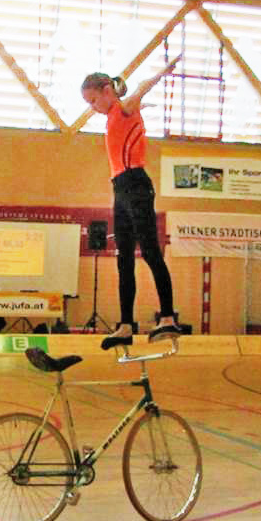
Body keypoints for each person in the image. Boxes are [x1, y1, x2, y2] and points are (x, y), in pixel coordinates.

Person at [81, 56, 181, 347]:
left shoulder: (123, 107)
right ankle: (125, 325)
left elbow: (141, 87)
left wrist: (163, 72)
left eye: (93, 100)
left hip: (136, 184)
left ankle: (167, 317)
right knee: (123, 258)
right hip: (120, 188)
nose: (92, 107)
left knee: (150, 251)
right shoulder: (114, 116)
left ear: (107, 90)